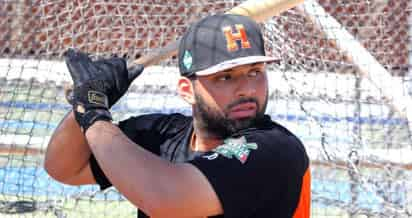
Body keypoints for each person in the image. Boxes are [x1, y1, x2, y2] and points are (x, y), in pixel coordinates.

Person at [44, 14, 311, 218]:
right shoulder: (160, 135)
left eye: (255, 72)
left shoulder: (275, 150)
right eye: (225, 77)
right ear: (187, 90)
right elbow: (64, 168)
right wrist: (87, 102)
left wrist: (93, 114)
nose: (247, 90)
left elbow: (166, 197)